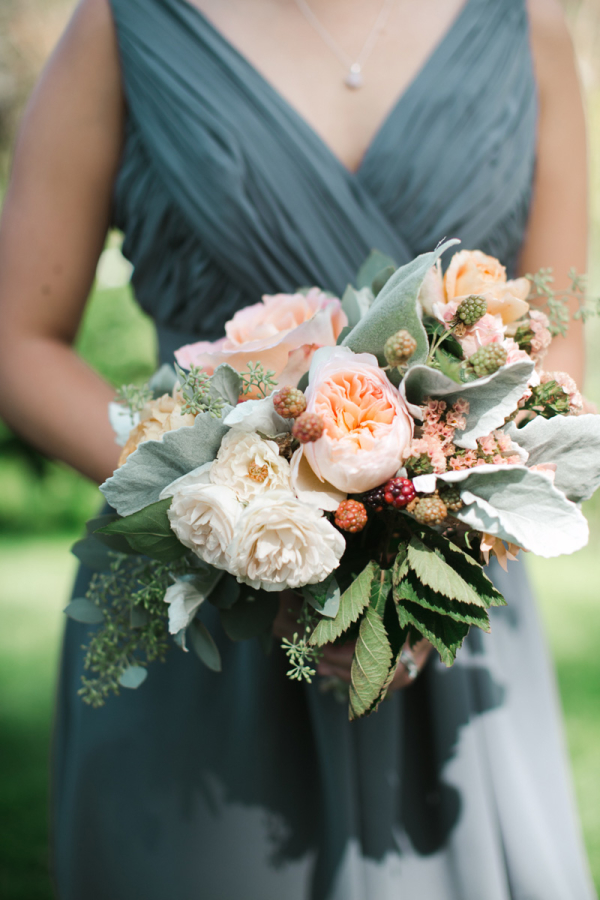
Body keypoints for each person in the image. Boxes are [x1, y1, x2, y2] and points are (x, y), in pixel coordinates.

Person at [0, 0, 595, 897]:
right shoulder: (124, 26)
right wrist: (229, 508)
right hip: (200, 608)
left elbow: (560, 341)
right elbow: (18, 337)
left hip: (446, 610)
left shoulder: (526, 25)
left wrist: (439, 526)